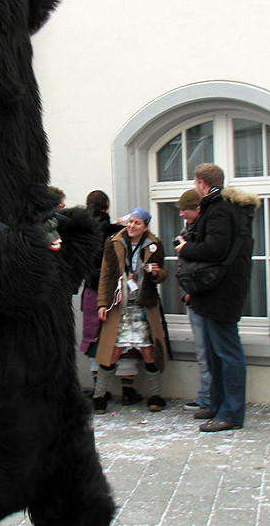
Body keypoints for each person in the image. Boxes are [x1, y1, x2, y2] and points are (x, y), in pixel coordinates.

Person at [175, 164, 259, 432]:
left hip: (222, 292)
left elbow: (215, 249)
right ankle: (217, 404)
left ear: (201, 183)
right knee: (214, 352)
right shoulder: (223, 207)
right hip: (216, 290)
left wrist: (186, 247)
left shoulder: (219, 208)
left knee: (227, 351)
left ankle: (231, 413)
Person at [94, 207, 169, 413]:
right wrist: (102, 304)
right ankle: (99, 396)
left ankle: (156, 395)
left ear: (145, 226)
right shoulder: (114, 243)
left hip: (143, 305)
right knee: (112, 350)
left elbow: (163, 274)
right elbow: (106, 276)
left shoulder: (153, 244)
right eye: (130, 222)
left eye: (137, 223)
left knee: (149, 351)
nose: (132, 226)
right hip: (120, 305)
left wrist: (156, 273)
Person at [79, 190, 125, 398]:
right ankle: (128, 390)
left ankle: (100, 390)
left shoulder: (81, 231)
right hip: (112, 289)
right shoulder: (115, 231)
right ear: (107, 207)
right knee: (118, 336)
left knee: (93, 337)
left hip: (90, 287)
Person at [176, 190, 214, 419]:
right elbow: (183, 267)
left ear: (196, 208)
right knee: (203, 351)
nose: (181, 214)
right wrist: (185, 292)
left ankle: (208, 397)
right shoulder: (188, 231)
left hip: (204, 297)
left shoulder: (205, 231)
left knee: (208, 351)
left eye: (184, 209)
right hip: (193, 297)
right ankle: (206, 396)